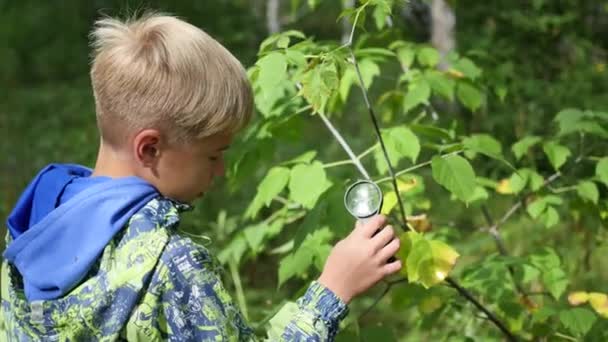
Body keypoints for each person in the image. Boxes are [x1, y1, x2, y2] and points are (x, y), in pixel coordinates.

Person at [0, 12, 402, 341]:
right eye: (213, 155)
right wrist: (333, 289)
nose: (222, 170)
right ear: (150, 148)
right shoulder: (173, 266)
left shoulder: (34, 226)